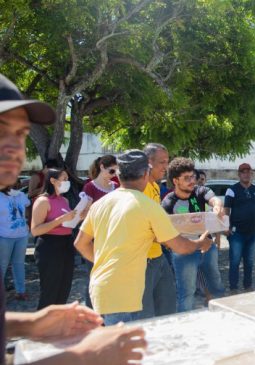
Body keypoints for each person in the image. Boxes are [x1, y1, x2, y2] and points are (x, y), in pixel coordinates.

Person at [0, 72, 146, 364]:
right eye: (2, 130)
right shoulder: (49, 198)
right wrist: (83, 357)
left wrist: (29, 324)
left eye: (20, 134)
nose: (15, 147)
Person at [75, 150, 213, 325]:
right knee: (131, 348)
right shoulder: (147, 206)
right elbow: (180, 246)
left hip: (101, 289)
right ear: (145, 174)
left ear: (119, 174)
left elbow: (80, 243)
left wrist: (106, 263)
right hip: (127, 294)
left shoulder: (100, 204)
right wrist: (200, 243)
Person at [162, 158, 225, 311]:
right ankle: (184, 325)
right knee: (186, 292)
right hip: (183, 252)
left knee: (216, 284)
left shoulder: (200, 191)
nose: (192, 181)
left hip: (208, 247)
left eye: (193, 177)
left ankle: (221, 315)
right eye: (187, 178)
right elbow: (163, 232)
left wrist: (217, 205)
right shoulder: (168, 202)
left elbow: (214, 199)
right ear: (175, 180)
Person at [30, 168, 77, 309]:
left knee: (64, 288)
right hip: (49, 246)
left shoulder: (64, 200)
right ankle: (42, 328)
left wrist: (80, 216)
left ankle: (58, 326)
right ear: (53, 180)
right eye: (64, 179)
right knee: (50, 290)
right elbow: (35, 230)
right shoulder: (43, 201)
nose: (67, 182)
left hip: (66, 244)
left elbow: (67, 224)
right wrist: (60, 220)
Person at [140, 142, 177, 319]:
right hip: (144, 260)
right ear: (148, 162)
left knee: (167, 308)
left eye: (167, 161)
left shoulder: (155, 186)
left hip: (158, 256)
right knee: (146, 315)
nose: (166, 167)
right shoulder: (142, 188)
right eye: (162, 162)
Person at [81, 155, 118, 307]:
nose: (114, 174)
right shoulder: (89, 187)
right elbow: (84, 214)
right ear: (102, 167)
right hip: (96, 237)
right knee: (95, 276)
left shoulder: (116, 186)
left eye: (116, 171)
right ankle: (93, 311)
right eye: (111, 170)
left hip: (114, 236)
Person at [224, 163, 255, 290]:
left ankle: (248, 286)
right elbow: (226, 210)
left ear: (251, 174)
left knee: (249, 262)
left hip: (252, 233)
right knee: (235, 262)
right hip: (236, 233)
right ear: (239, 174)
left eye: (248, 172)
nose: (246, 174)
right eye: (243, 172)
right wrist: (226, 226)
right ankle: (233, 287)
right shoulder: (232, 190)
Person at [0, 182, 30, 300]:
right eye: (13, 186)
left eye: (17, 185)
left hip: (22, 235)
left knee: (19, 264)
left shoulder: (21, 195)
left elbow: (28, 206)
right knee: (2, 266)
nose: (16, 188)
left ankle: (21, 291)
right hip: (4, 236)